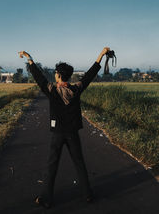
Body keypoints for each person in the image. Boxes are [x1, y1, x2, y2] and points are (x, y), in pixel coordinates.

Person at [18, 47, 110, 208]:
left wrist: (30, 59)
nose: (54, 75)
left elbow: (39, 78)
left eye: (55, 73)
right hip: (72, 133)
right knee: (79, 163)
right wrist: (101, 56)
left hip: (58, 134)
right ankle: (87, 194)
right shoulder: (76, 89)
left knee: (52, 165)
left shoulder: (52, 91)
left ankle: (47, 198)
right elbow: (89, 75)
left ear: (59, 75)